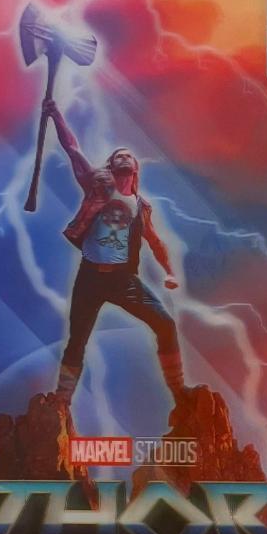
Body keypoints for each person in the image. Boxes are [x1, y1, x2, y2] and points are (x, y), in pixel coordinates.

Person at [42, 97, 188, 408]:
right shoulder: (97, 186)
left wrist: (169, 271)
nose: (123, 156)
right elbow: (73, 149)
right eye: (117, 155)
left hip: (122, 280)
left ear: (135, 169)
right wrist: (55, 115)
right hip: (90, 277)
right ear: (110, 165)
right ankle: (61, 401)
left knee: (165, 324)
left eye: (128, 155)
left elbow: (155, 241)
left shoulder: (141, 207)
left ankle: (179, 392)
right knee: (77, 340)